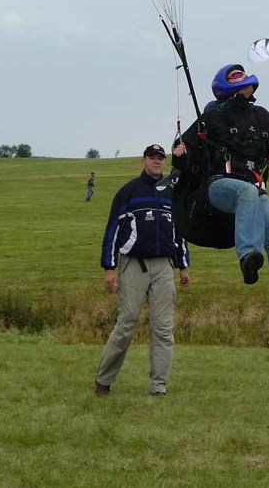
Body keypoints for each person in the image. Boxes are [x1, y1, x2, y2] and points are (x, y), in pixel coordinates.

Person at [172, 63, 269, 339]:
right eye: (236, 76)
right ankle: (248, 256)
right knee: (246, 193)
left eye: (244, 76)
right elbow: (186, 154)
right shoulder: (211, 117)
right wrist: (179, 155)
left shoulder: (263, 119)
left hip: (254, 188)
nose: (243, 79)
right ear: (225, 85)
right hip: (220, 186)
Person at [95, 144, 191, 397]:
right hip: (133, 265)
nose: (157, 161)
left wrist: (183, 266)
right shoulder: (129, 191)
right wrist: (109, 267)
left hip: (164, 267)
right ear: (144, 160)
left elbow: (180, 231)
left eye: (161, 158)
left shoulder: (172, 191)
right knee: (126, 323)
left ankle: (158, 385)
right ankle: (104, 380)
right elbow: (112, 230)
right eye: (152, 157)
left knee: (163, 328)